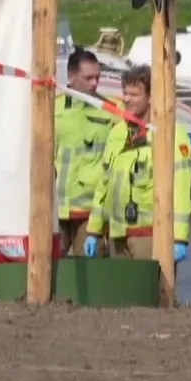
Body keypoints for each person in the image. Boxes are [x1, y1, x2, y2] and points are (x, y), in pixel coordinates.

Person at [84, 65, 191, 263]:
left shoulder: (170, 134)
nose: (126, 99)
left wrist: (179, 237)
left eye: (133, 94)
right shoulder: (117, 133)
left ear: (151, 97)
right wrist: (94, 230)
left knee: (153, 285)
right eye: (125, 93)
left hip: (151, 236)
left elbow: (181, 190)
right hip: (117, 236)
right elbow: (103, 186)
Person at [55, 49, 122, 256]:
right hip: (55, 209)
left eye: (97, 78)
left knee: (92, 267)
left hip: (91, 212)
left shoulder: (111, 110)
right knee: (46, 268)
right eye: (88, 78)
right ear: (71, 76)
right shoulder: (52, 107)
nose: (94, 84)